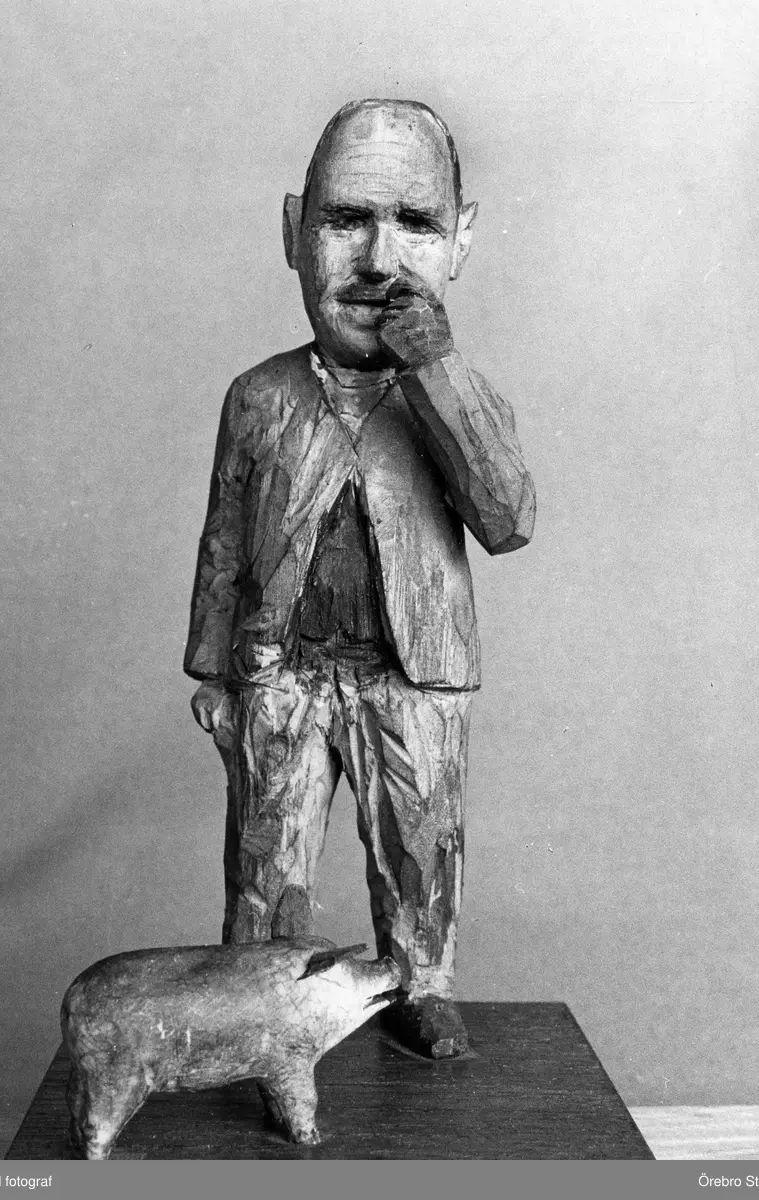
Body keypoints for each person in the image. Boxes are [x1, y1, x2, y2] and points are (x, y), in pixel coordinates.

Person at [184, 98, 535, 1058]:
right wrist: (212, 671)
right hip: (280, 677)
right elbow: (224, 544)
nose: (379, 260)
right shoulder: (259, 397)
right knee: (266, 858)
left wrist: (436, 369)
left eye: (415, 223)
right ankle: (261, 1002)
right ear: (293, 233)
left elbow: (506, 518)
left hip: (412, 679)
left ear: (461, 242)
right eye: (346, 220)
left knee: (419, 847)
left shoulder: (461, 398)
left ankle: (422, 985)